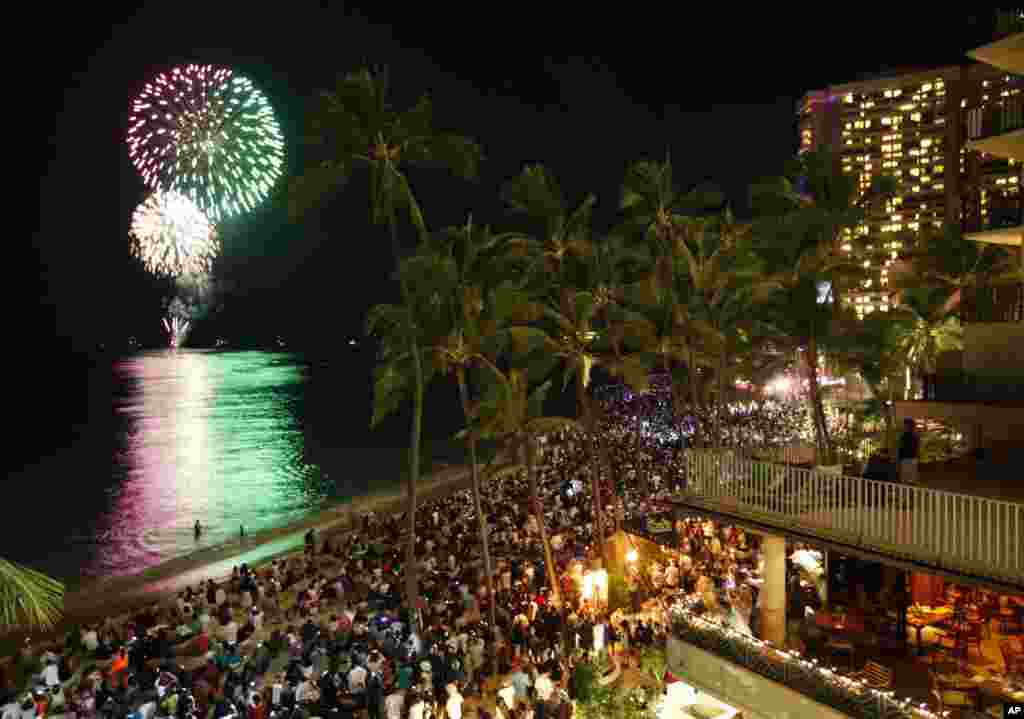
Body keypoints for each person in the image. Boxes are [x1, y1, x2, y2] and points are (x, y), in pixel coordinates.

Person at [897, 418, 920, 485]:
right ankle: (910, 493)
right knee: (908, 479)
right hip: (908, 459)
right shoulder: (913, 436)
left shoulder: (908, 436)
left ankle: (910, 493)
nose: (904, 427)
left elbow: (901, 448)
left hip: (909, 459)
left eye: (905, 425)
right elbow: (901, 448)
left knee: (908, 479)